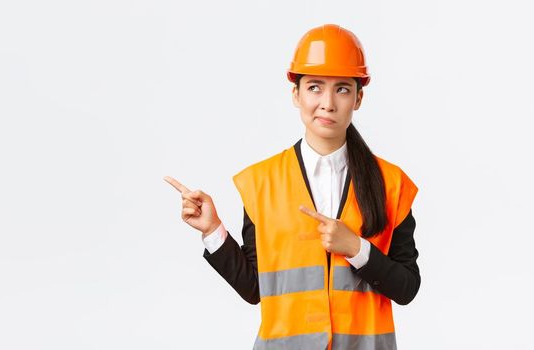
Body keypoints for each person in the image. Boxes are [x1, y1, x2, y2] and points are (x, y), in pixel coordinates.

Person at [163, 24, 419, 350]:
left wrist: (356, 248)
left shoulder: (391, 184)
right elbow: (256, 289)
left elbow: (407, 288)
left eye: (342, 89)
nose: (327, 102)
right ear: (295, 94)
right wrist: (213, 229)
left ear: (359, 98)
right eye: (314, 87)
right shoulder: (261, 183)